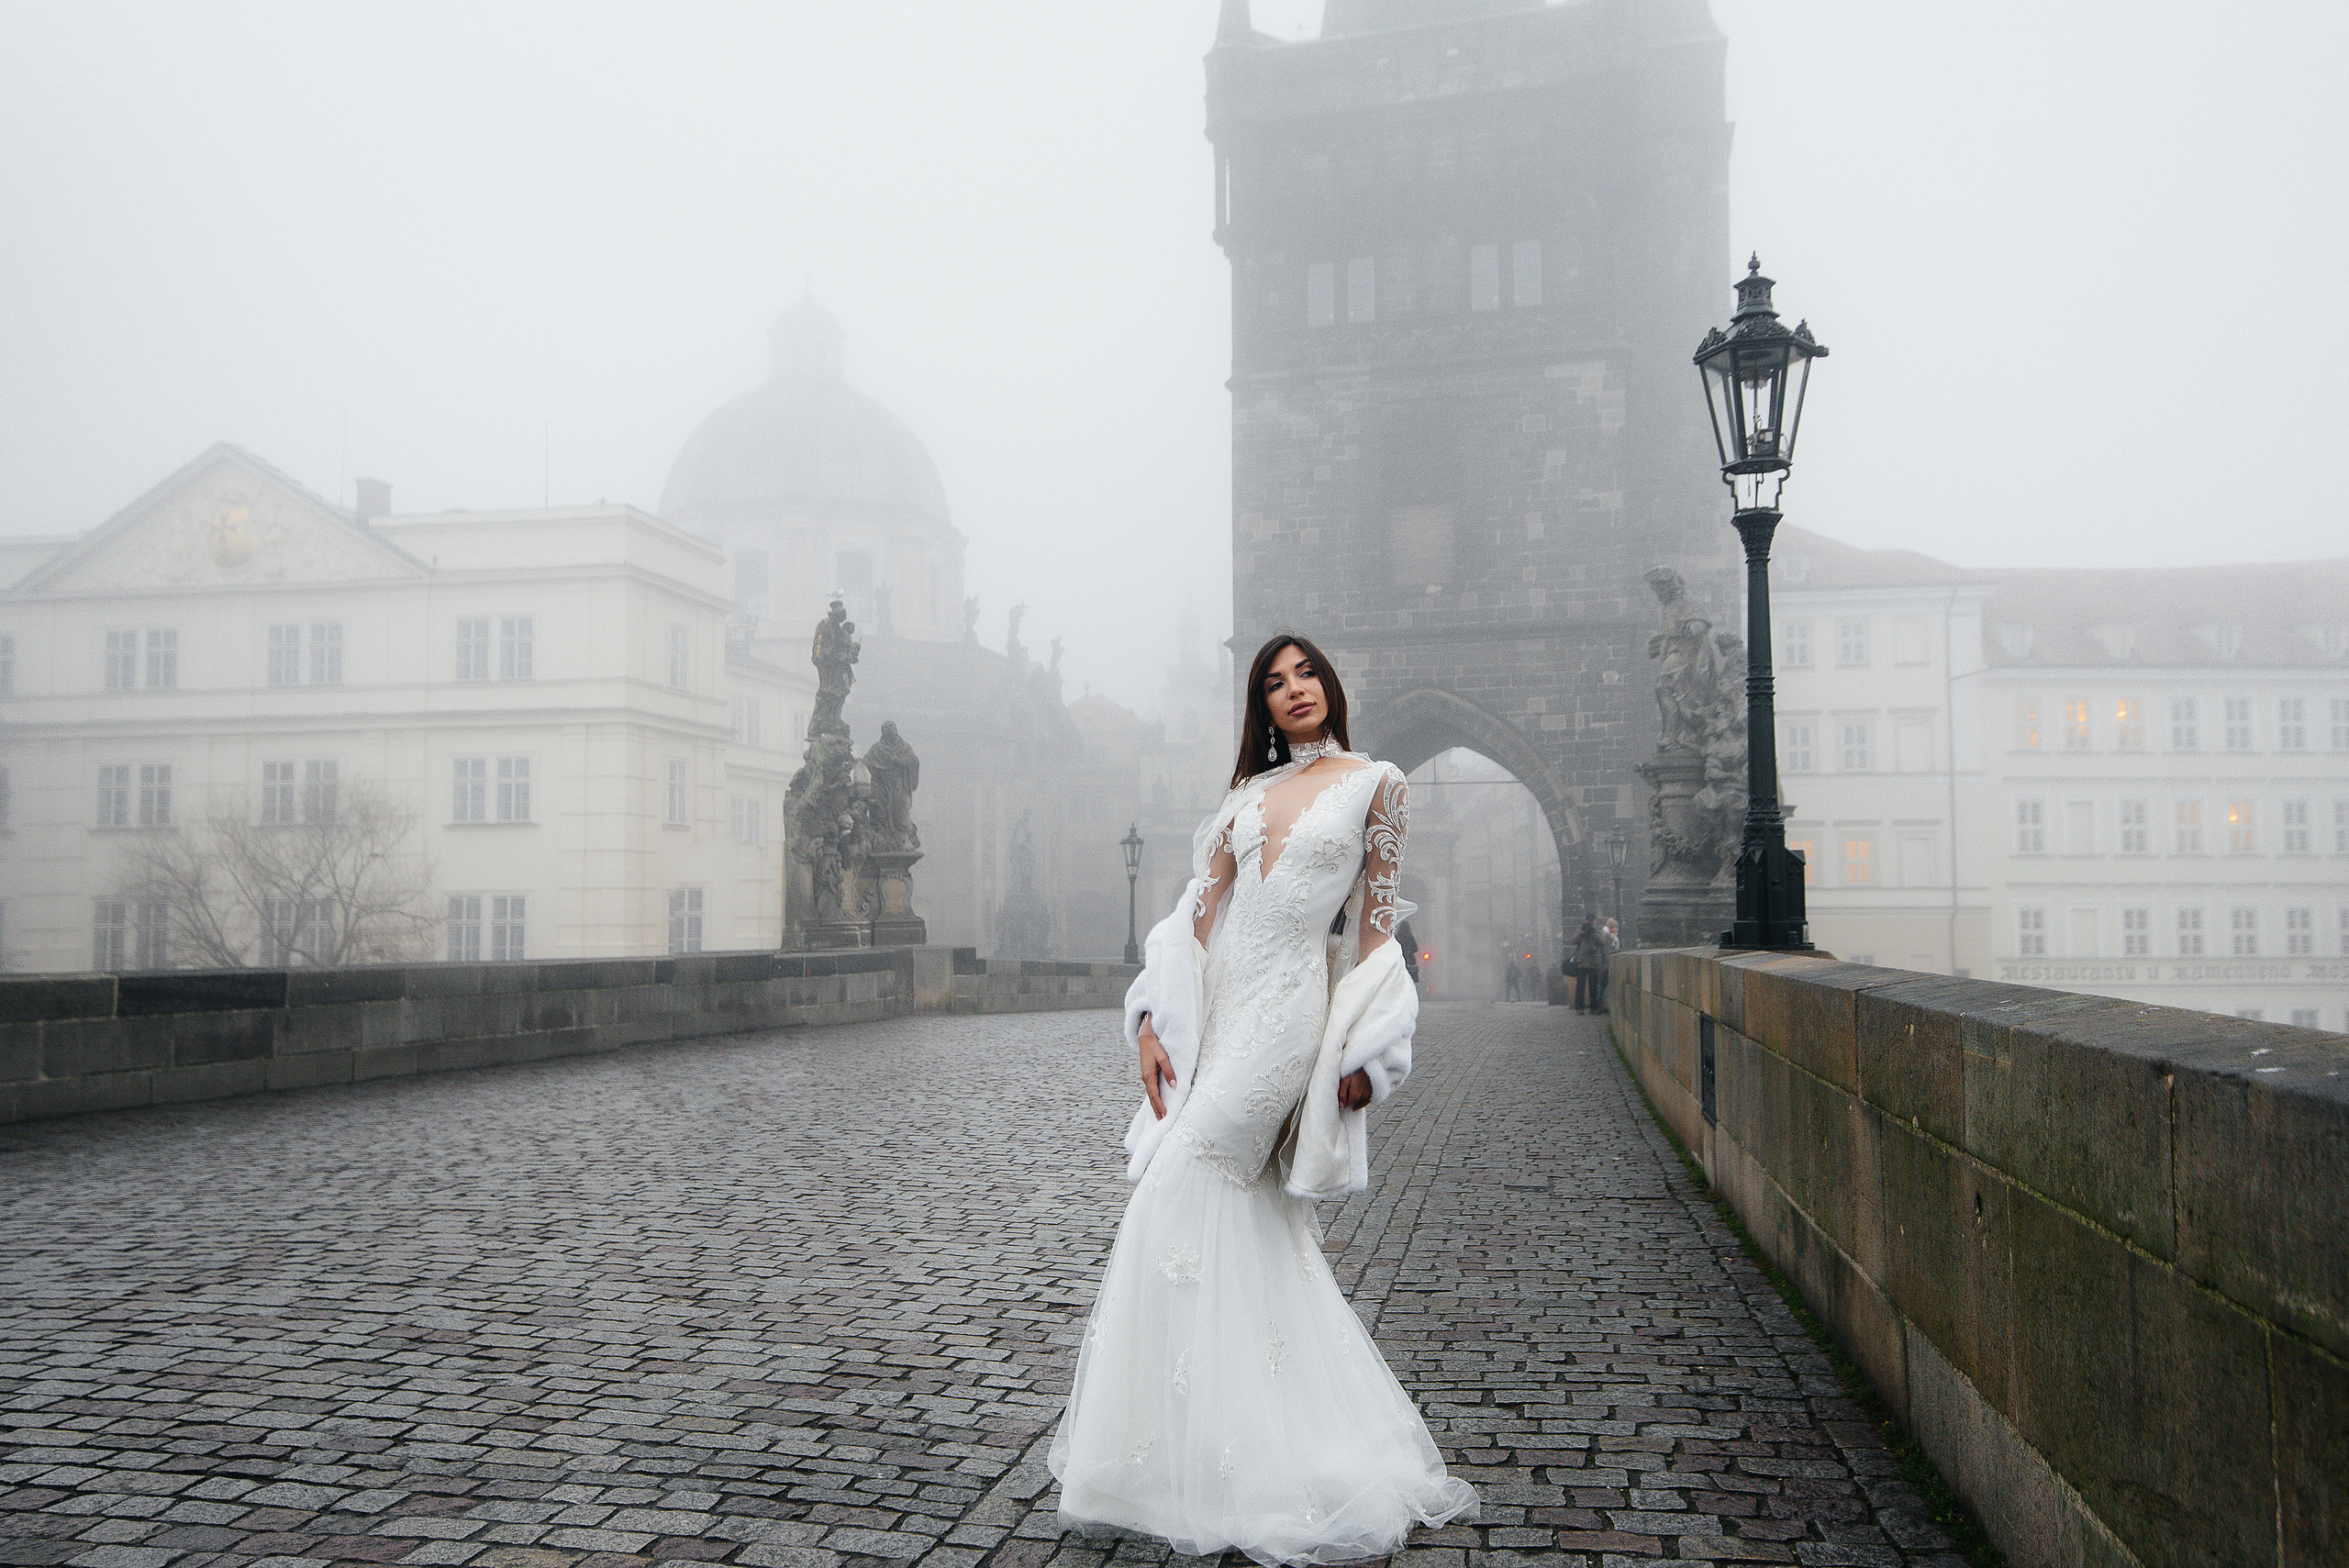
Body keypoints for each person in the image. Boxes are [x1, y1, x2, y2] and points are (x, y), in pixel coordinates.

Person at [1051, 633, 1477, 1565]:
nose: (1295, 689)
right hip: (1215, 1015)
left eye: (1307, 672)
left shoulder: (1378, 783)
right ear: (1262, 705)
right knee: (1237, 1218)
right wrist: (1150, 1020)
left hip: (1285, 1020)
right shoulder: (1243, 796)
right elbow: (1193, 920)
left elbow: (1376, 935)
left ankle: (1224, 1452)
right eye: (1275, 681)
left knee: (1178, 1183)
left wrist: (1369, 1052)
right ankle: (1216, 1450)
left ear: (1330, 685)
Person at [1567, 915, 1609, 1014]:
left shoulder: (1596, 931)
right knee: (1580, 986)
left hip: (1593, 962)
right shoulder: (1581, 931)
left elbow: (1603, 942)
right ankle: (1579, 1007)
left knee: (1593, 986)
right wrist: (1582, 932)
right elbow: (1573, 941)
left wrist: (1594, 935)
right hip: (1582, 962)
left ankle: (1593, 1007)